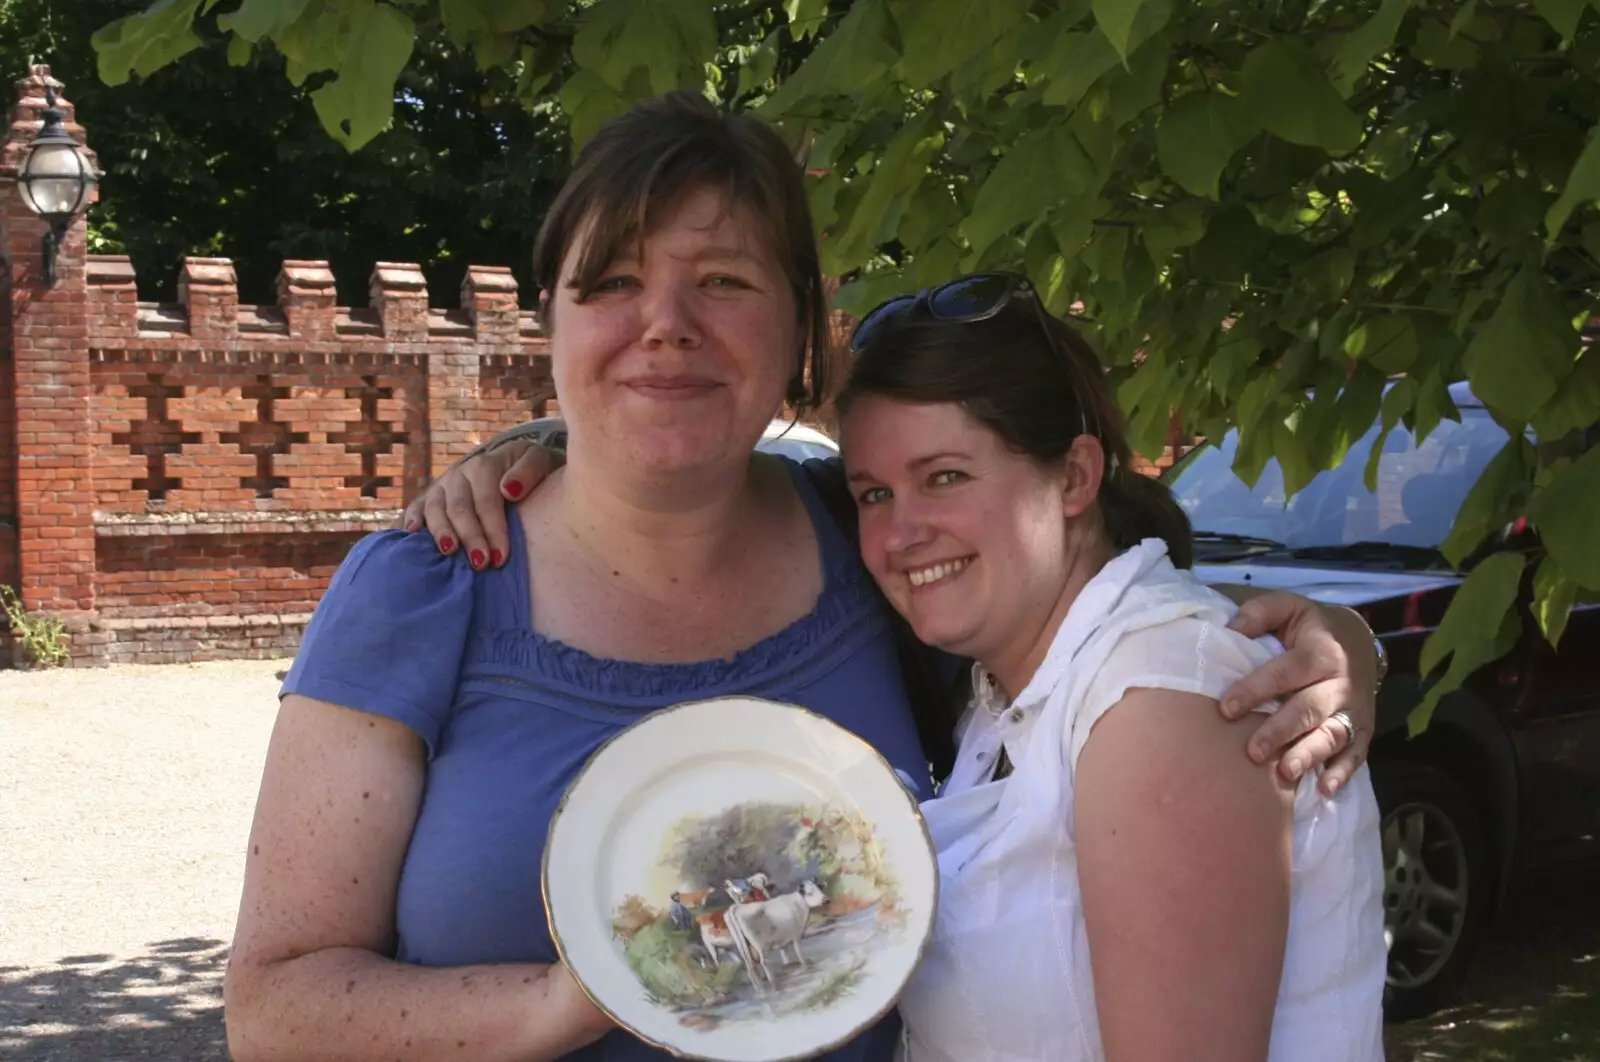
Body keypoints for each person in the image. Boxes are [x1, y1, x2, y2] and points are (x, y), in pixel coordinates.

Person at [225, 92, 1377, 1062]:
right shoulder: (427, 587)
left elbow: (1096, 622)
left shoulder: (864, 542)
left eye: (721, 281)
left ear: (798, 339)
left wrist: (1330, 640)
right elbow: (272, 1006)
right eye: (611, 282)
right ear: (552, 323)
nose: (664, 325)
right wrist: (581, 997)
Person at [836, 273, 1386, 1060]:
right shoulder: (1021, 683)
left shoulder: (1157, 703)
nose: (900, 533)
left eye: (945, 477)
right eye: (873, 494)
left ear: (1075, 477)